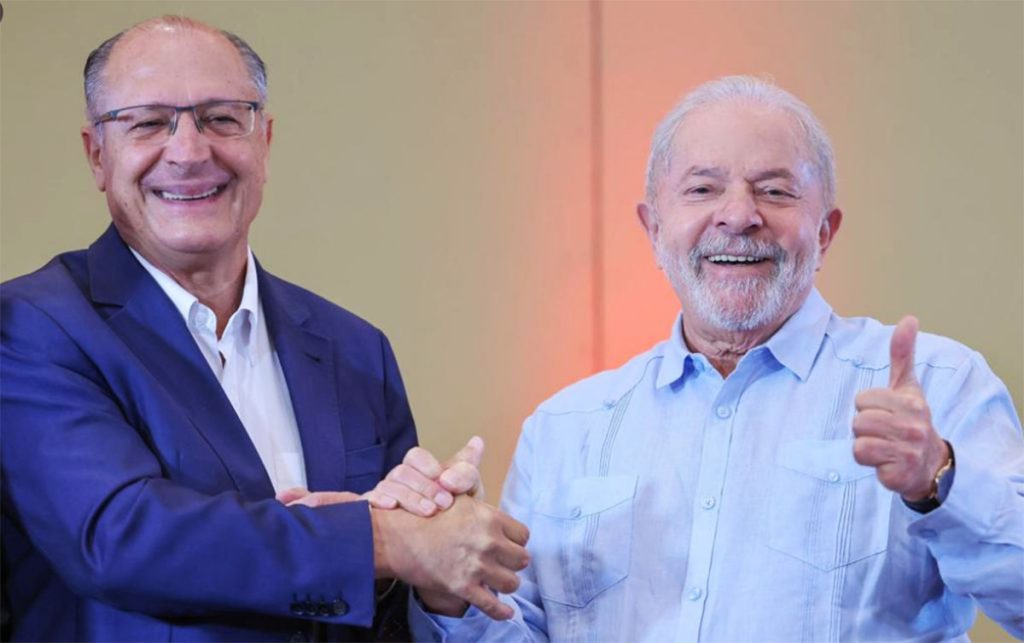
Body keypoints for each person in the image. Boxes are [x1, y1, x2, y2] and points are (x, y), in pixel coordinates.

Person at [406, 76, 1024, 641]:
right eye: (702, 189)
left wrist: (938, 479)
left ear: (825, 232)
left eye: (774, 191)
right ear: (654, 230)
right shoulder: (564, 429)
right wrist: (447, 583)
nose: (738, 215)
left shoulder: (938, 387)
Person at [0, 16, 528, 642]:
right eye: (148, 123)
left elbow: (380, 617)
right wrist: (385, 538)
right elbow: (121, 535)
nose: (189, 152)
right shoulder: (35, 326)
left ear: (265, 141)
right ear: (97, 155)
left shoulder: (356, 350)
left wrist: (436, 571)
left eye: (222, 118)